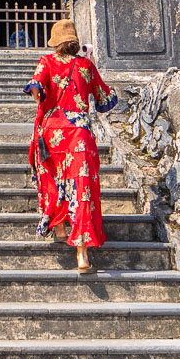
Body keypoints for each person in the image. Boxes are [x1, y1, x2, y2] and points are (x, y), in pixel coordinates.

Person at [24, 19, 118, 272]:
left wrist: (47, 102)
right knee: (81, 186)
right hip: (80, 134)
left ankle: (60, 225)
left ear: (56, 43)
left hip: (53, 131)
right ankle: (82, 255)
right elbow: (105, 98)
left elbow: (36, 90)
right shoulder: (86, 65)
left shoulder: (47, 61)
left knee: (53, 177)